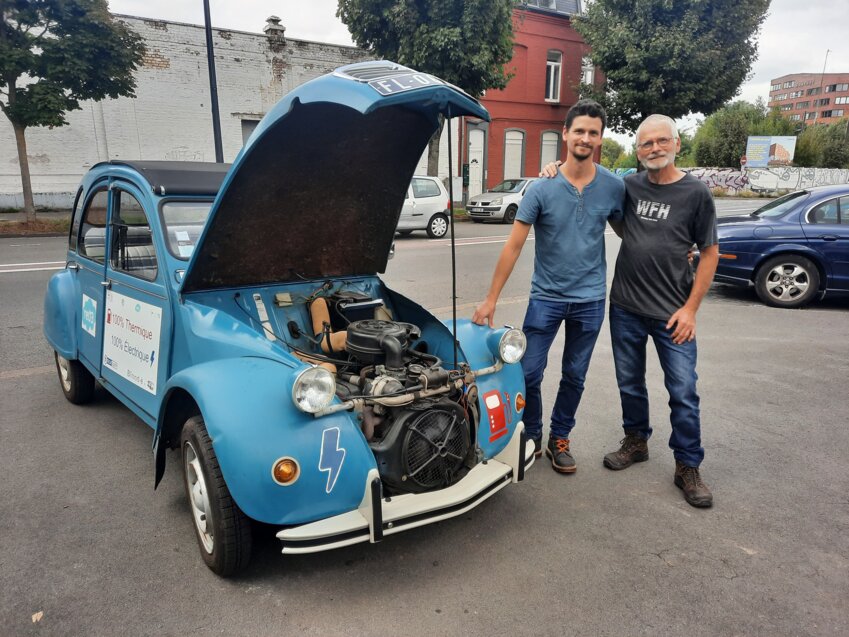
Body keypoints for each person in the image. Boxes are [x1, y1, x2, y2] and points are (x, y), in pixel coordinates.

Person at [544, 115, 719, 506]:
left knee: (683, 391)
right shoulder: (629, 186)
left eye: (661, 141)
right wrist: (554, 168)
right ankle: (636, 441)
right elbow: (588, 184)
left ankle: (687, 466)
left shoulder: (696, 194)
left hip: (673, 313)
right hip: (625, 306)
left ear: (676, 144)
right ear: (638, 151)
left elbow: (709, 254)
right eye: (646, 144)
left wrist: (691, 309)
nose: (654, 148)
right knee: (630, 383)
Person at [472, 99, 624, 474]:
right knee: (531, 372)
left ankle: (560, 438)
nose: (585, 138)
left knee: (575, 375)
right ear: (566, 135)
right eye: (579, 131)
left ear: (600, 138)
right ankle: (533, 433)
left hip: (590, 301)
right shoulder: (541, 188)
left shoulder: (613, 186)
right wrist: (491, 298)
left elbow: (631, 235)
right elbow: (513, 245)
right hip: (546, 298)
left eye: (593, 132)